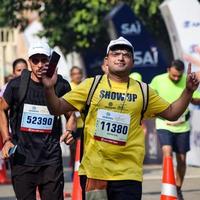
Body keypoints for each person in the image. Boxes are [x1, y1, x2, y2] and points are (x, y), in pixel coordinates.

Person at [41, 36, 199, 200]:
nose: (121, 57)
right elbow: (56, 108)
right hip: (95, 172)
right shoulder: (90, 85)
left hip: (128, 174)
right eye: (116, 53)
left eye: (126, 54)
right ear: (106, 60)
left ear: (132, 62)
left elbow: (172, 113)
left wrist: (188, 91)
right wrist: (48, 88)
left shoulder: (143, 91)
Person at [0, 41, 76, 200]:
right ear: (29, 62)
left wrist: (70, 130)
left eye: (44, 60)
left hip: (51, 160)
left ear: (51, 61)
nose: (40, 65)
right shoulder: (16, 85)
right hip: (22, 159)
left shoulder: (60, 85)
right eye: (35, 60)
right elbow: (2, 109)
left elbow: (70, 116)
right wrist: (7, 139)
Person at [150, 59, 200, 200]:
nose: (177, 78)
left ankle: (178, 188)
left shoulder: (188, 80)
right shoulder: (157, 80)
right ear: (168, 70)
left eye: (179, 75)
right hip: (164, 123)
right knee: (167, 152)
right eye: (174, 75)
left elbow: (197, 99)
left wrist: (189, 93)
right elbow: (149, 97)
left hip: (182, 125)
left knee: (182, 160)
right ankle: (168, 185)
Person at [69, 66, 84, 178]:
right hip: (73, 124)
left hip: (84, 124)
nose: (77, 75)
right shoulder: (69, 86)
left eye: (79, 73)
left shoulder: (85, 86)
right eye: (74, 74)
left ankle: (83, 173)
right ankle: (74, 173)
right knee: (74, 151)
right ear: (71, 76)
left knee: (84, 150)